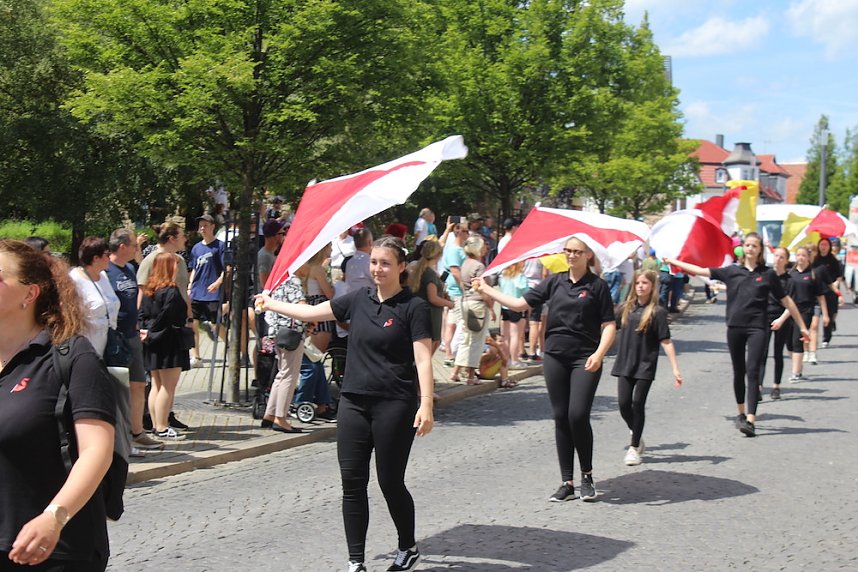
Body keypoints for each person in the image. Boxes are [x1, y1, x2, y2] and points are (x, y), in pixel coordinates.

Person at [256, 236, 434, 572]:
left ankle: (407, 547)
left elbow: (423, 359)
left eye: (385, 263)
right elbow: (310, 311)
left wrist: (426, 404)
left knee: (389, 481)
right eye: (374, 262)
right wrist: (271, 302)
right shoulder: (358, 300)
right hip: (353, 402)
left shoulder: (414, 307)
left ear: (400, 267)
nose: (377, 269)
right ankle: (356, 561)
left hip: (395, 403)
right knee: (352, 482)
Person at [0, 240, 115, 570]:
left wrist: (54, 517)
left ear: (29, 294)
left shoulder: (72, 357)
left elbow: (97, 451)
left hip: (55, 550)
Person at [475, 237, 616, 502]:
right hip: (555, 357)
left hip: (585, 358)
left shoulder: (598, 286)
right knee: (561, 417)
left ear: (588, 255)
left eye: (577, 252)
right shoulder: (555, 281)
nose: (571, 255)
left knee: (578, 415)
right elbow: (519, 304)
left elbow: (609, 325)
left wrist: (599, 354)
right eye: (568, 251)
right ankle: (567, 482)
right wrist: (486, 289)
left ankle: (587, 475)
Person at [664, 232, 810, 437]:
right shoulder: (731, 271)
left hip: (758, 328)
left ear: (760, 250)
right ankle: (740, 413)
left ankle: (751, 419)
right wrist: (674, 261)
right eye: (747, 245)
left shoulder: (767, 275)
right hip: (735, 327)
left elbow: (787, 301)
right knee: (738, 371)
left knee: (753, 371)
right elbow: (700, 271)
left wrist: (803, 327)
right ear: (743, 248)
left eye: (754, 246)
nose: (750, 248)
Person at [611, 270, 682, 466]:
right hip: (625, 363)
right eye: (638, 283)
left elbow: (666, 341)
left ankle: (634, 448)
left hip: (645, 364)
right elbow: (608, 326)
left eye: (645, 283)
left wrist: (675, 368)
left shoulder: (657, 312)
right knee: (623, 404)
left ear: (652, 286)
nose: (640, 286)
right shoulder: (625, 309)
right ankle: (637, 432)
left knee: (638, 403)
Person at [107, 229, 164, 453]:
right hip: (115, 336)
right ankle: (120, 436)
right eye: (134, 245)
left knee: (138, 383)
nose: (136, 249)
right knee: (119, 387)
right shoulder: (106, 272)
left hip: (132, 333)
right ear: (122, 246)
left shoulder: (130, 268)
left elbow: (136, 296)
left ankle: (137, 432)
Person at [139, 253, 191, 440]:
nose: (177, 268)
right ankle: (161, 426)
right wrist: (154, 331)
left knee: (156, 384)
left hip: (152, 343)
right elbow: (168, 316)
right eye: (175, 265)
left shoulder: (149, 290)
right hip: (169, 341)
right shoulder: (172, 291)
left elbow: (142, 314)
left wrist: (146, 331)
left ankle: (155, 424)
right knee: (167, 387)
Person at [261, 273, 306, 434]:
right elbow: (300, 306)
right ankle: (281, 417)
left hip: (277, 331)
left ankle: (270, 413)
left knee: (281, 374)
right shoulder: (293, 280)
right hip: (291, 333)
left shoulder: (277, 278)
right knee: (289, 375)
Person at [450, 235, 494, 385]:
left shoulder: (465, 264)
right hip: (477, 304)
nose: (484, 249)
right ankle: (470, 377)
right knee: (476, 341)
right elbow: (482, 289)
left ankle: (455, 372)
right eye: (482, 246)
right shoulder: (478, 266)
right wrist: (491, 307)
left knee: (466, 339)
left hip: (465, 302)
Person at [68, 236, 120, 358]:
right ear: (96, 258)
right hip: (86, 349)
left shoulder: (103, 276)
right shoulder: (73, 279)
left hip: (109, 346)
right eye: (107, 254)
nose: (110, 258)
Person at [786, 246, 828, 383]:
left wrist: (825, 315)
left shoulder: (813, 275)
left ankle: (796, 373)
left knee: (797, 340)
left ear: (808, 258)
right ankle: (798, 368)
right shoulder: (790, 274)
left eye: (803, 255)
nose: (800, 258)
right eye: (798, 255)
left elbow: (821, 296)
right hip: (790, 311)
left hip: (806, 311)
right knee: (789, 343)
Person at [188, 214, 226, 367]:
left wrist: (218, 282)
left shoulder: (220, 246)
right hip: (197, 291)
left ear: (212, 227)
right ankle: (196, 357)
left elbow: (227, 269)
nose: (202, 228)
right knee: (193, 324)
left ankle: (229, 345)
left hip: (212, 292)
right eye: (200, 225)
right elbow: (193, 269)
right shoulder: (196, 248)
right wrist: (190, 286)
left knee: (215, 323)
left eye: (205, 225)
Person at [406, 240, 453, 354]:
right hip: (431, 315)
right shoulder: (429, 273)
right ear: (438, 255)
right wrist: (449, 304)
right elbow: (433, 298)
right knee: (430, 348)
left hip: (423, 313)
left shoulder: (419, 269)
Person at [759, 247, 793, 399]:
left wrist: (781, 320)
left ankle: (776, 386)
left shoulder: (789, 280)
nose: (778, 259)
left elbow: (792, 304)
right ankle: (758, 386)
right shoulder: (766, 275)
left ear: (786, 261)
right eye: (776, 256)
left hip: (782, 318)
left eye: (781, 257)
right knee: (762, 353)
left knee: (778, 353)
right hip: (765, 317)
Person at [813, 237, 842, 349]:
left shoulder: (833, 260)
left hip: (830, 291)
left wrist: (836, 284)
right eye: (822, 244)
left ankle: (826, 337)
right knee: (815, 316)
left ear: (829, 246)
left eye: (826, 245)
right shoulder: (815, 259)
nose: (823, 247)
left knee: (829, 315)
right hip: (816, 291)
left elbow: (839, 275)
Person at [498, 262, 529, 368]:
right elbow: (525, 290)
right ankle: (515, 360)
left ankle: (506, 359)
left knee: (506, 336)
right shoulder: (520, 276)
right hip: (516, 306)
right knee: (515, 335)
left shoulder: (503, 275)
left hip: (505, 307)